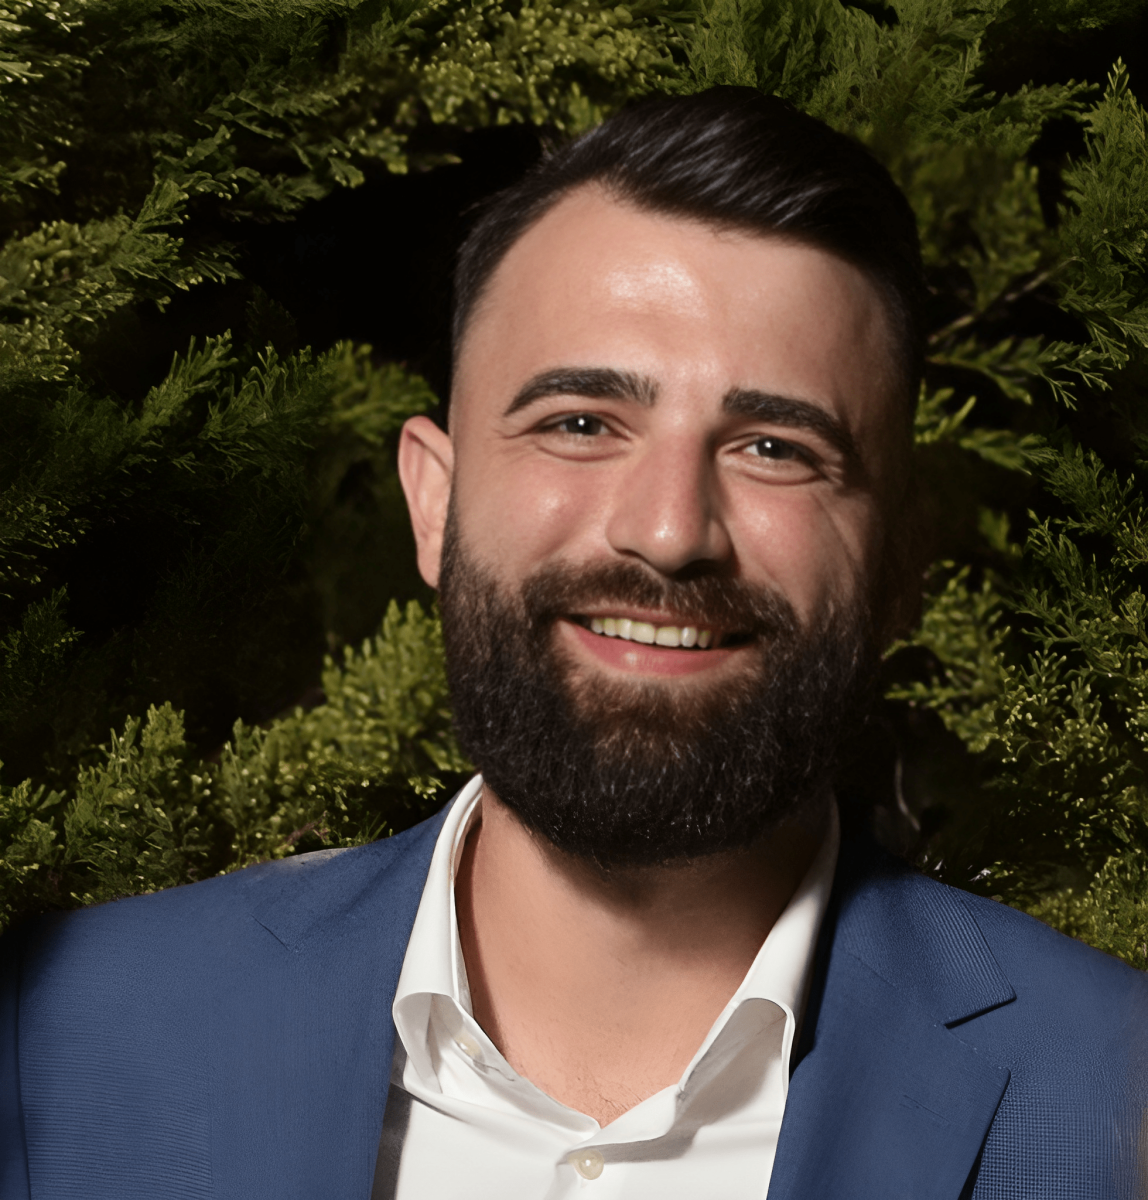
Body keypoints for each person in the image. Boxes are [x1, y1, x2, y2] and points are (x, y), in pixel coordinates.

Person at [2, 87, 1145, 1200]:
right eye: (580, 423)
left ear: (901, 565)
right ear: (433, 505)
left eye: (773, 449)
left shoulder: (1112, 1099)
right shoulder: (54, 1045)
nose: (665, 531)